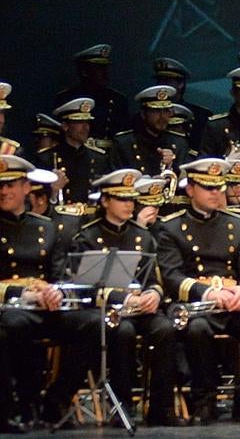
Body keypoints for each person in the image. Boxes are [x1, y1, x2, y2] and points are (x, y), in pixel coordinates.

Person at [156, 158, 240, 424]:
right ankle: (204, 400)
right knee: (197, 330)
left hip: (234, 302)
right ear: (190, 190)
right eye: (208, 188)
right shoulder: (172, 227)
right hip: (199, 304)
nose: (216, 193)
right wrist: (208, 293)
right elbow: (171, 276)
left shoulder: (237, 223)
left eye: (219, 188)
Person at [63, 168, 181, 426]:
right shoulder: (88, 237)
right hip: (107, 310)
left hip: (141, 307)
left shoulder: (143, 235)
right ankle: (122, 406)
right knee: (123, 331)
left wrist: (153, 294)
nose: (130, 205)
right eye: (123, 199)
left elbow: (155, 279)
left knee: (165, 329)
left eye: (131, 199)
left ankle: (161, 408)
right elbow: (83, 288)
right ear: (105, 201)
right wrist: (123, 299)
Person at [0, 154, 79, 431]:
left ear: (26, 188)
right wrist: (24, 295)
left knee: (94, 324)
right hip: (9, 308)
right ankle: (20, 403)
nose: (4, 191)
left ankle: (56, 399)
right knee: (12, 324)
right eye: (0, 185)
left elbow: (58, 274)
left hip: (45, 306)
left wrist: (56, 291)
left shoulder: (46, 227)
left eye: (11, 185)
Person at [52, 44, 130, 149]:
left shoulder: (118, 100)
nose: (104, 73)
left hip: (110, 157)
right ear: (84, 72)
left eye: (105, 69)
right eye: (99, 69)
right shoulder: (66, 99)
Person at [39, 97, 110, 209]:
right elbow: (38, 204)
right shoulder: (46, 158)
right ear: (65, 126)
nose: (85, 127)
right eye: (79, 122)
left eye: (87, 122)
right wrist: (54, 191)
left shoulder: (99, 158)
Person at [151, 57, 213, 152]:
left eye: (167, 82)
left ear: (180, 84)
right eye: (159, 81)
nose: (162, 86)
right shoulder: (147, 116)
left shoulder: (200, 116)